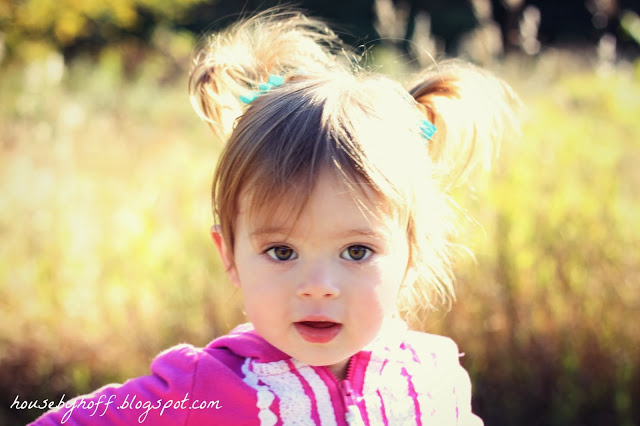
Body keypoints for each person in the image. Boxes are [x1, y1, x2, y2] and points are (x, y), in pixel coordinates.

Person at [31, 8, 518, 426]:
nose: (317, 285)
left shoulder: (435, 379)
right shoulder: (203, 388)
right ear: (231, 256)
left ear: (412, 253)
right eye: (281, 251)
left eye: (357, 251)